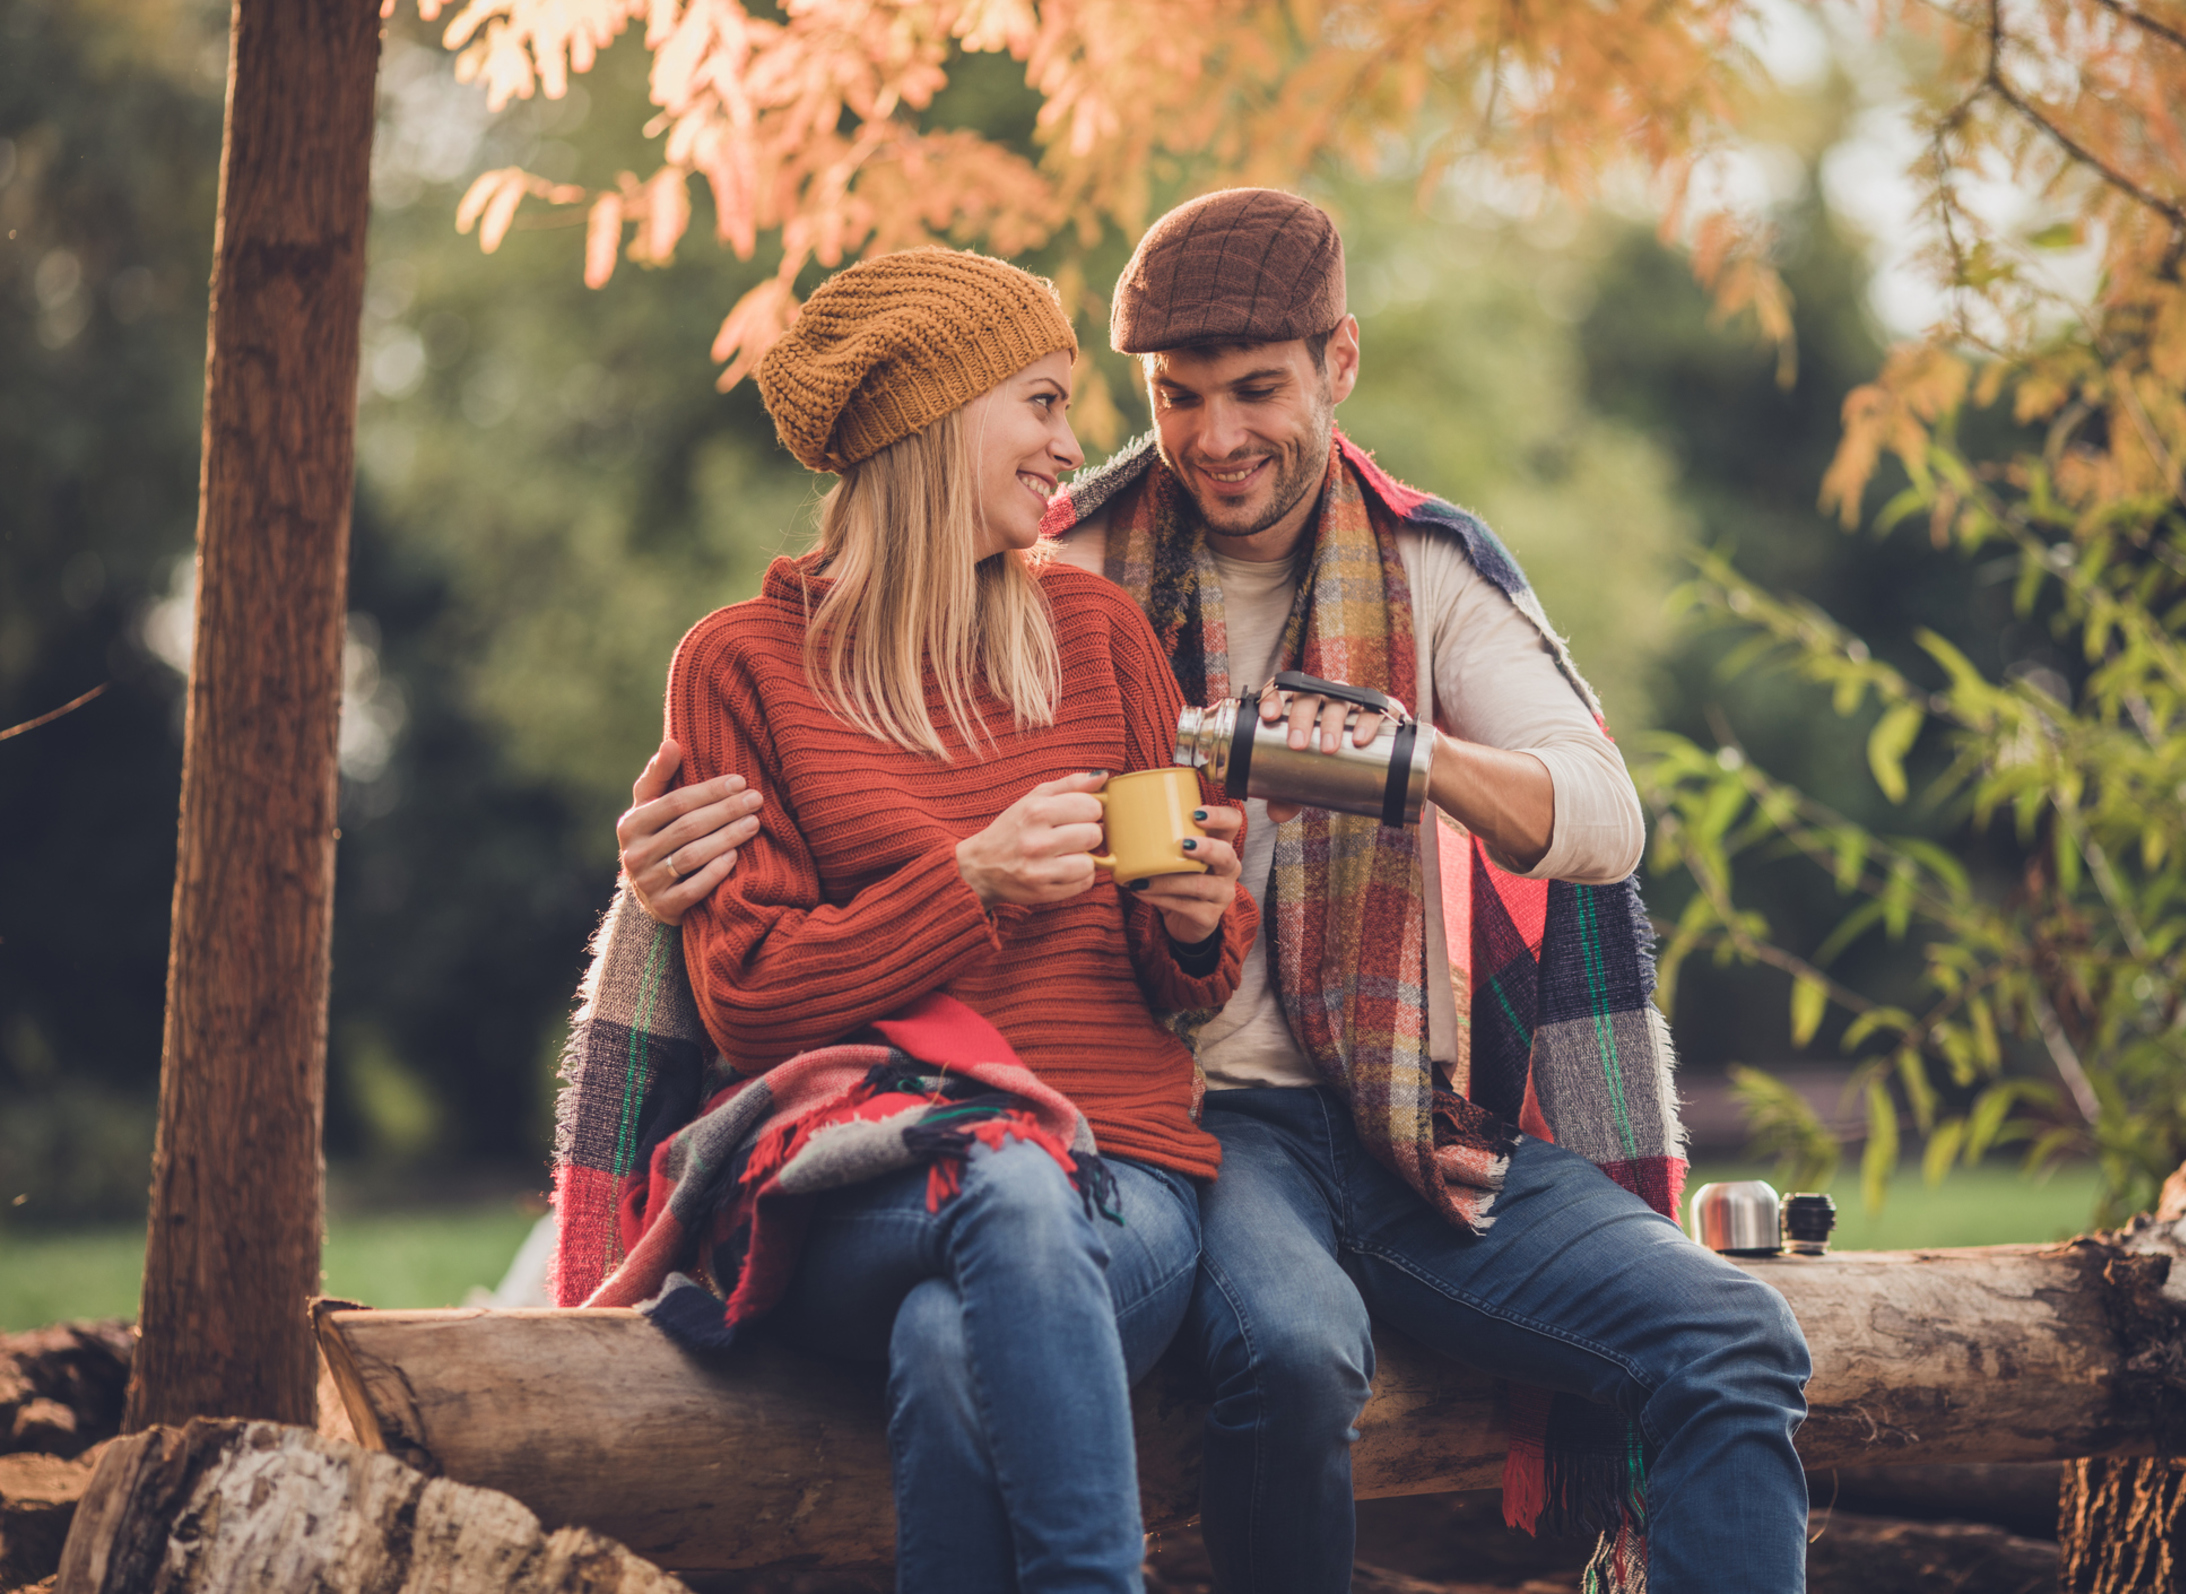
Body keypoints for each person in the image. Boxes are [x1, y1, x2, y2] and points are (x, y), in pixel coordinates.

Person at [624, 194, 1809, 1594]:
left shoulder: (1416, 570)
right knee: (1276, 1346)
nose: (1213, 436)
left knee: (1735, 1333)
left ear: (1339, 366)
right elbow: (803, 772)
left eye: (1256, 390)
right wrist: (663, 862)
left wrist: (1401, 766)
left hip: (1409, 1112)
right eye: (1173, 397)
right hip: (1200, 1125)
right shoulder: (1069, 556)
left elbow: (1605, 818)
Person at [654, 246, 1256, 1594]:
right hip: (853, 1189)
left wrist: (1200, 916)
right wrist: (968, 886)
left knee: (946, 1340)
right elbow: (744, 990)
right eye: (1040, 402)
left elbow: (1181, 979)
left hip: (1123, 1177)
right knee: (1003, 1171)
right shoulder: (738, 666)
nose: (1071, 442)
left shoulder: (1098, 635)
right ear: (933, 417)